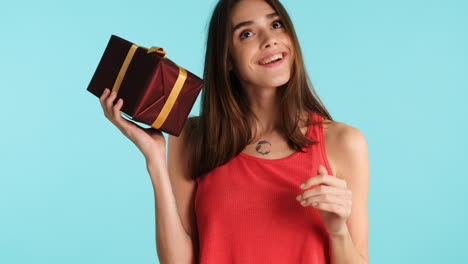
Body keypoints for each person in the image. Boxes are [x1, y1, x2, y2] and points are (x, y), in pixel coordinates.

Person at [98, 0, 369, 263]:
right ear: (227, 59)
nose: (270, 39)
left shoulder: (344, 142)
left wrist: (338, 232)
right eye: (247, 33)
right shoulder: (193, 136)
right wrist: (155, 159)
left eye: (276, 25)